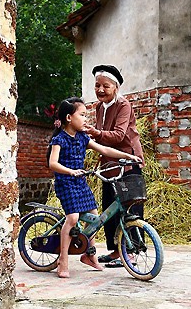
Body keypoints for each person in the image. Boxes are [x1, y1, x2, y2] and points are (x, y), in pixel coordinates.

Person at [48, 97, 142, 279]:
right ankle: (63, 260)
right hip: (65, 182)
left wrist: (129, 156)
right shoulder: (60, 139)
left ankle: (89, 255)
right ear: (69, 117)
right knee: (73, 218)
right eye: (82, 115)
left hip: (80, 181)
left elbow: (105, 150)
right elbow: (52, 163)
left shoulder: (83, 138)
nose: (85, 119)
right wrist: (70, 171)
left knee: (94, 217)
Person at [85, 64, 145, 268]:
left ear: (116, 87)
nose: (100, 90)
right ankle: (115, 251)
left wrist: (94, 133)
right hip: (109, 162)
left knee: (131, 205)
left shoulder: (123, 105)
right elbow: (102, 136)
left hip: (128, 159)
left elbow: (119, 135)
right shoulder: (99, 107)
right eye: (97, 85)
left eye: (106, 86)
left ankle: (132, 251)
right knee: (109, 206)